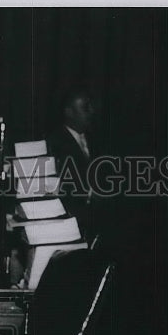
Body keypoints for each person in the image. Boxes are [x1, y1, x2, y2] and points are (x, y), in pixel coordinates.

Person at [45, 86, 98, 235]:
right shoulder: (53, 143)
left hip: (96, 222)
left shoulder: (96, 139)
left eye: (91, 106)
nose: (91, 112)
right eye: (85, 108)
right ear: (69, 112)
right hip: (71, 225)